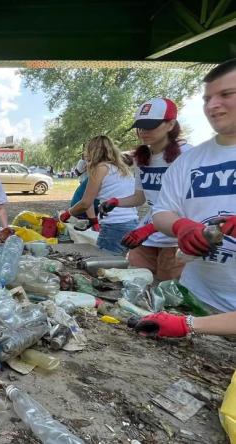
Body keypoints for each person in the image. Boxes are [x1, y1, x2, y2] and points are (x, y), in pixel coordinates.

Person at [151, 58, 236, 314]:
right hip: (196, 300)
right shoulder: (189, 160)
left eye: (226, 94)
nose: (213, 105)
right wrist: (181, 227)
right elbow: (162, 210)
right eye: (207, 99)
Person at [99, 98, 192, 280]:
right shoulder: (142, 157)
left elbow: (190, 204)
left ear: (170, 124)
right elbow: (140, 197)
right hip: (146, 236)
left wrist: (151, 228)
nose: (143, 131)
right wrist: (116, 202)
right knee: (135, 283)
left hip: (175, 239)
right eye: (140, 126)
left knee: (169, 291)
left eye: (151, 125)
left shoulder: (187, 154)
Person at [60, 135, 138, 254]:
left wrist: (68, 213)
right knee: (119, 265)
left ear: (91, 151)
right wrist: (93, 220)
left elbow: (86, 202)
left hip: (114, 225)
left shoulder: (100, 168)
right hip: (131, 223)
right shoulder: (121, 168)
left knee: (104, 266)